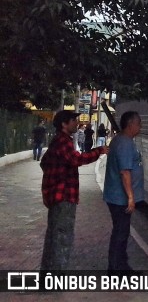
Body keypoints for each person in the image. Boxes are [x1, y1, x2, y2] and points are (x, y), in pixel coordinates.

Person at [40, 110, 109, 271]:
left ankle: (47, 277)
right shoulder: (63, 142)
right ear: (64, 124)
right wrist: (98, 151)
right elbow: (76, 159)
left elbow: (45, 163)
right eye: (73, 120)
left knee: (54, 237)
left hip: (57, 196)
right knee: (62, 238)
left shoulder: (57, 141)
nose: (76, 123)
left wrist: (54, 178)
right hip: (63, 196)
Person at [103, 111, 144, 272]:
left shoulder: (120, 140)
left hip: (117, 196)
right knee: (120, 234)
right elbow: (124, 172)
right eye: (139, 123)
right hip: (120, 198)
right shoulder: (124, 143)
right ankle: (115, 270)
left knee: (122, 232)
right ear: (130, 124)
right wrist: (131, 197)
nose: (140, 127)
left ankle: (121, 266)